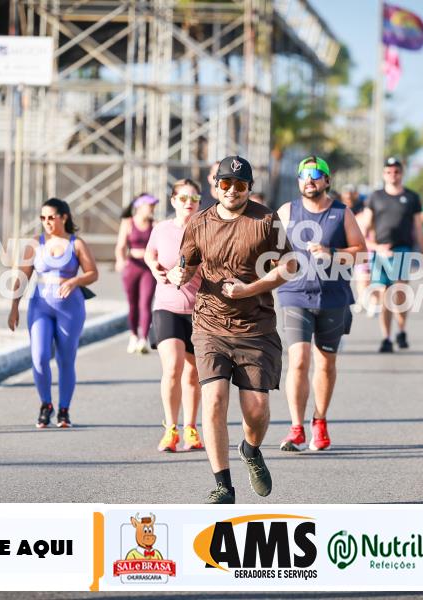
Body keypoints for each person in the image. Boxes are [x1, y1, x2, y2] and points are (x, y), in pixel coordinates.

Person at [169, 155, 297, 504]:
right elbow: (186, 264)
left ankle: (250, 449)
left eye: (240, 185)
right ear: (216, 186)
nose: (232, 190)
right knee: (214, 400)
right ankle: (223, 485)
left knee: (256, 410)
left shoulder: (265, 220)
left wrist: (249, 289)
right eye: (225, 183)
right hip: (209, 324)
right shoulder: (199, 222)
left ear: (249, 188)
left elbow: (290, 265)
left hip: (255, 327)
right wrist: (179, 274)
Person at [276, 156, 366, 452]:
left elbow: (361, 252)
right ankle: (296, 428)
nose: (309, 179)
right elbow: (267, 248)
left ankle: (319, 420)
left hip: (332, 296)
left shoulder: (341, 213)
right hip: (294, 294)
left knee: (325, 364)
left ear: (327, 180)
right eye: (304, 174)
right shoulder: (287, 211)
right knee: (299, 360)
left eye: (316, 174)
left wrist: (333, 253)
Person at [8, 198, 99, 428]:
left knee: (65, 359)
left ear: (64, 217)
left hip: (70, 309)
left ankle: (64, 410)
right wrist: (14, 307)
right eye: (43, 218)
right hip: (40, 306)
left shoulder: (76, 244)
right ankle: (45, 404)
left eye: (51, 217)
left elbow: (93, 273)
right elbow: (22, 277)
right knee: (39, 357)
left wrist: (75, 281)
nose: (47, 222)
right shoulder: (35, 244)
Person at [144, 178, 205, 452]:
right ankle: (171, 429)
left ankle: (190, 428)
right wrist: (155, 268)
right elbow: (150, 254)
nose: (188, 203)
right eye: (183, 198)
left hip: (200, 310)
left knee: (193, 374)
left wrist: (192, 272)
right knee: (172, 368)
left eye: (194, 198)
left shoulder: (206, 229)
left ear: (200, 202)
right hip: (167, 306)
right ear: (173, 201)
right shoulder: (161, 229)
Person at [358, 156, 423, 352]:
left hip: (402, 250)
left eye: (396, 171)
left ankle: (401, 330)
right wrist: (375, 247)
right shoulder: (375, 197)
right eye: (389, 172)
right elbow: (364, 229)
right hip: (381, 252)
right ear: (384, 174)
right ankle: (386, 337)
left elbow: (418, 227)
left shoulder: (412, 197)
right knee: (384, 295)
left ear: (401, 174)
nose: (392, 175)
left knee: (400, 293)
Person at [115, 194, 158, 354]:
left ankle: (143, 339)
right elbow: (120, 246)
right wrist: (120, 260)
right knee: (132, 304)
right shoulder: (128, 223)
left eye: (153, 206)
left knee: (145, 303)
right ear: (139, 206)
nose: (152, 209)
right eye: (150, 205)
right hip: (132, 266)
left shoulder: (155, 225)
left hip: (148, 268)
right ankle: (133, 335)